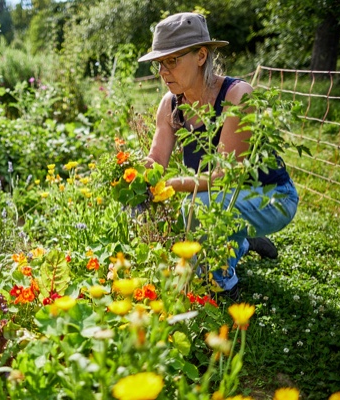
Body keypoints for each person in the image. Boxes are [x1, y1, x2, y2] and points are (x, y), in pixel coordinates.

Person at [139, 12, 299, 297]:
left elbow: (225, 177)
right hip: (226, 198)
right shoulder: (171, 104)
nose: (163, 72)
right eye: (159, 64)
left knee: (195, 208)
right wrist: (135, 176)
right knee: (185, 208)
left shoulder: (237, 97)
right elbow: (156, 162)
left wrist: (174, 185)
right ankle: (244, 242)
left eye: (172, 61)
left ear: (201, 55)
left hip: (271, 196)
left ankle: (225, 287)